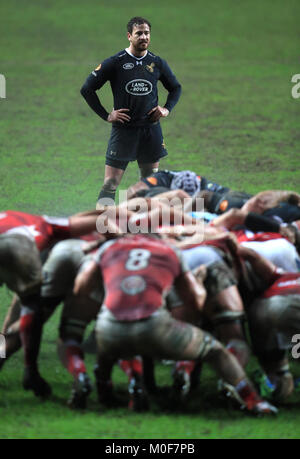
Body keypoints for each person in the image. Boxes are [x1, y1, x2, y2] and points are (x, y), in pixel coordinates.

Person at [73, 233, 278, 416]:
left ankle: (105, 390)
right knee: (216, 350)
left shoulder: (108, 248)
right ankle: (254, 401)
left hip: (110, 327)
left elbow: (81, 289)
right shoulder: (170, 251)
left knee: (112, 342)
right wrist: (199, 282)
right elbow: (195, 301)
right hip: (153, 326)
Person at [80, 17, 181, 206]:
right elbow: (87, 89)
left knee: (149, 183)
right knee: (110, 182)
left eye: (147, 33)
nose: (144, 37)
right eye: (139, 33)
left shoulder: (157, 63)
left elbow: (176, 87)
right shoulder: (115, 63)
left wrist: (166, 109)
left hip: (150, 130)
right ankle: (103, 227)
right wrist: (107, 115)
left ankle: (142, 228)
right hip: (123, 131)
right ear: (129, 36)